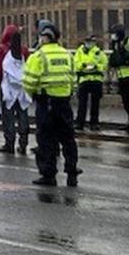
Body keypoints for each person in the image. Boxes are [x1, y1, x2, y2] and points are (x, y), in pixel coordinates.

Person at [23, 24, 80, 187]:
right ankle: (72, 172)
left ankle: (48, 174)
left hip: (46, 102)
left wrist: (34, 93)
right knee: (68, 138)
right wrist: (67, 93)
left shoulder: (39, 56)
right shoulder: (68, 55)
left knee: (46, 139)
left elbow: (28, 81)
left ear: (44, 38)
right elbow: (73, 79)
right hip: (64, 102)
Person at [0, 31, 31, 155]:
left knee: (9, 118)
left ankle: (10, 144)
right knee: (23, 116)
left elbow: (0, 68)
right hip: (22, 91)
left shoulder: (5, 53)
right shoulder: (23, 54)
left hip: (10, 91)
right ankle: (23, 143)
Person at [74, 35, 108, 131]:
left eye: (91, 42)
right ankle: (80, 123)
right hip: (84, 80)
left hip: (96, 80)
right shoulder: (80, 52)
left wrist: (96, 67)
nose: (89, 44)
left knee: (95, 104)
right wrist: (83, 65)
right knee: (82, 103)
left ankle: (94, 123)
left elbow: (104, 64)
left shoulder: (98, 52)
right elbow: (76, 64)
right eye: (88, 42)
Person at [109, 25, 129, 129]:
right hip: (122, 77)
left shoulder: (127, 42)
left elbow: (124, 58)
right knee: (126, 101)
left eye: (114, 33)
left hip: (128, 77)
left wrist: (122, 59)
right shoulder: (116, 44)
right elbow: (114, 61)